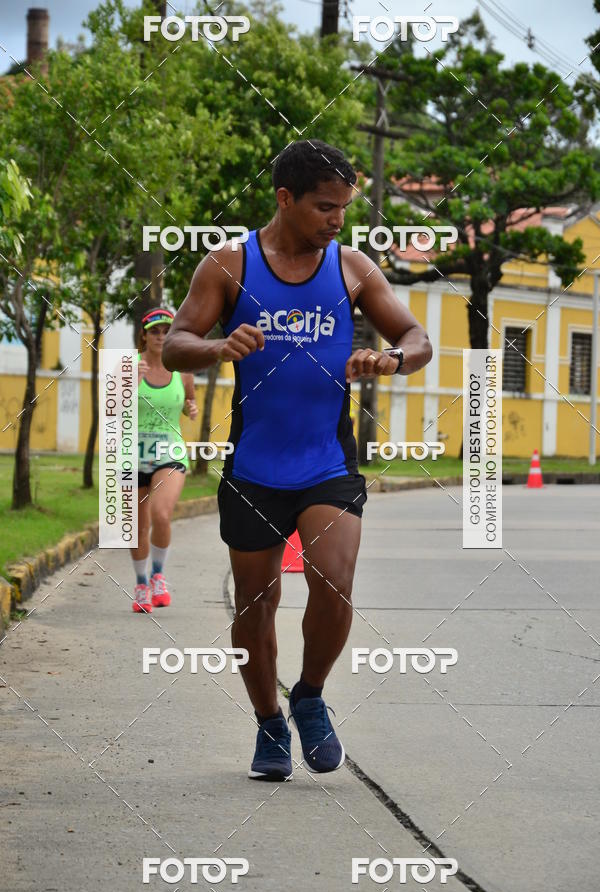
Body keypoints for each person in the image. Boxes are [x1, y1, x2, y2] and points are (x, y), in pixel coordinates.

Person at [162, 140, 432, 778]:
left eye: (344, 207)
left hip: (326, 463)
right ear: (285, 199)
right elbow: (175, 345)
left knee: (335, 581)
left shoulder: (353, 268)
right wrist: (221, 346)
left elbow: (416, 338)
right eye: (324, 207)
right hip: (255, 467)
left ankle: (308, 696)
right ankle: (267, 725)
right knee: (255, 603)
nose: (338, 220)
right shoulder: (228, 266)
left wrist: (390, 359)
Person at [131, 307, 198, 613]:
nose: (160, 337)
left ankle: (159, 576)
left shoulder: (182, 371)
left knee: (160, 514)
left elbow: (188, 402)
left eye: (166, 331)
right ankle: (142, 583)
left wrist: (191, 409)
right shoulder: (129, 367)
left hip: (169, 452)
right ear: (144, 335)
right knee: (137, 525)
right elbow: (111, 412)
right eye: (155, 331)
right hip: (132, 454)